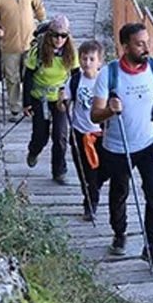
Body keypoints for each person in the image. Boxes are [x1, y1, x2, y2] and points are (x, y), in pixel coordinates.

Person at [91, 23, 153, 266]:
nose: (146, 47)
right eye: (140, 43)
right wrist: (109, 110)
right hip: (118, 146)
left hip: (149, 142)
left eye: (147, 42)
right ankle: (119, 233)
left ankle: (152, 245)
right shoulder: (109, 74)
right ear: (124, 46)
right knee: (120, 192)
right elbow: (95, 115)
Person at [23, 15, 77, 183]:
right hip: (40, 98)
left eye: (63, 36)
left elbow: (76, 76)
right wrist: (26, 103)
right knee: (41, 135)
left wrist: (74, 98)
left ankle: (59, 171)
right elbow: (28, 77)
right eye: (55, 35)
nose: (59, 39)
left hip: (60, 99)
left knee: (60, 136)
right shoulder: (37, 51)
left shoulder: (71, 53)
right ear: (49, 34)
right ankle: (34, 150)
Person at [64, 40, 106, 220]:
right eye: (84, 58)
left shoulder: (105, 81)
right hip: (79, 133)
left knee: (98, 171)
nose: (87, 63)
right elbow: (64, 102)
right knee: (84, 171)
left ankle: (93, 195)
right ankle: (90, 201)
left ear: (99, 62)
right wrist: (62, 102)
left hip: (100, 134)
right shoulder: (74, 80)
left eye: (91, 59)